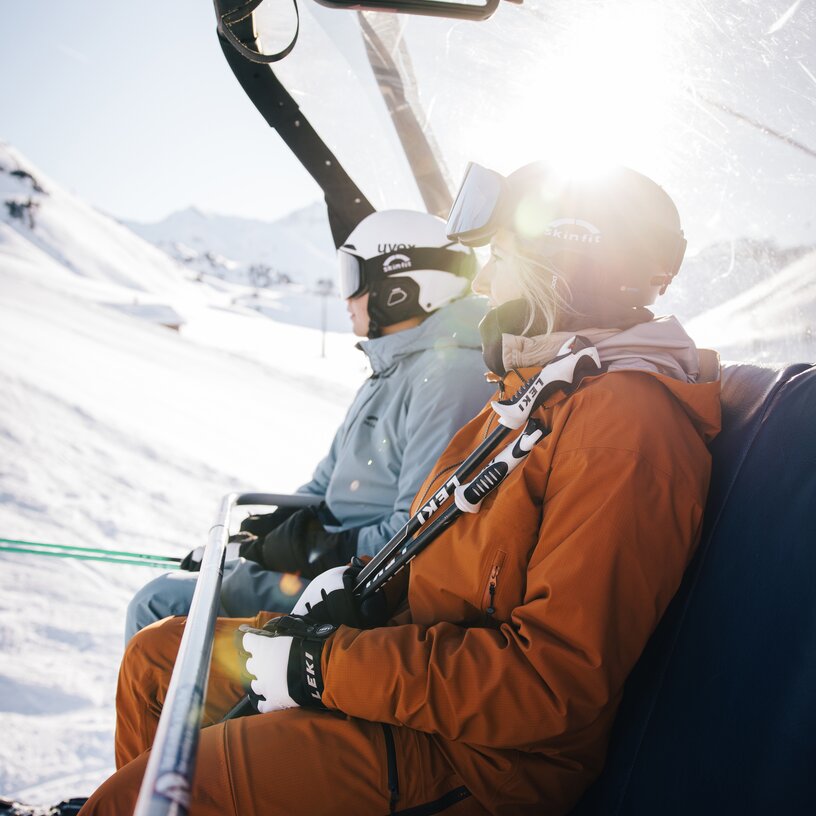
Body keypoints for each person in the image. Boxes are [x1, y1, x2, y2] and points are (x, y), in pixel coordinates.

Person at [80, 162, 721, 816]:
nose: (487, 281)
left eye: (500, 258)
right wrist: (355, 595)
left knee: (148, 797)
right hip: (408, 679)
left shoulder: (626, 428)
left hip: (479, 759)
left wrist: (323, 666)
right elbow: (437, 539)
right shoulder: (535, 395)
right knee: (155, 665)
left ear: (570, 273)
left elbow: (550, 687)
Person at [124, 209, 494, 641]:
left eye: (354, 277)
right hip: (335, 565)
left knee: (159, 603)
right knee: (203, 575)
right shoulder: (393, 368)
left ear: (401, 287)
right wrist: (263, 534)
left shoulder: (449, 376)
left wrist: (312, 549)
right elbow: (324, 486)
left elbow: (419, 532)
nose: (346, 298)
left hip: (365, 590)